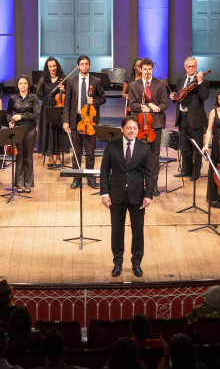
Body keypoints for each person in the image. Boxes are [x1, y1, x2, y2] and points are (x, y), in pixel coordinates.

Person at [100, 116, 154, 278]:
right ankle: (118, 262)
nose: (132, 131)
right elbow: (104, 171)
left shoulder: (144, 148)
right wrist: (104, 193)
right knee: (117, 230)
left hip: (137, 196)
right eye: (128, 128)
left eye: (135, 128)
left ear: (138, 130)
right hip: (116, 194)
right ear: (122, 129)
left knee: (138, 231)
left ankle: (136, 262)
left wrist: (148, 195)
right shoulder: (112, 146)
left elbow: (150, 175)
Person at [62, 54, 107, 189]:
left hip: (90, 121)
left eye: (87, 64)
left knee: (90, 152)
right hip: (75, 120)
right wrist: (65, 121)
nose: (84, 66)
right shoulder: (71, 81)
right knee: (76, 152)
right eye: (82, 64)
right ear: (77, 66)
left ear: (90, 65)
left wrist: (95, 101)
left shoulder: (96, 81)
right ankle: (77, 178)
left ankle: (90, 178)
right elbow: (67, 104)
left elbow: (103, 98)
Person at [127, 58, 169, 196]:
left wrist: (152, 108)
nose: (147, 72)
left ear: (152, 69)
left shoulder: (161, 84)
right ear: (140, 69)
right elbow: (132, 105)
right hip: (139, 125)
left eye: (149, 69)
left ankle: (153, 186)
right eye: (144, 69)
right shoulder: (133, 85)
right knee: (138, 156)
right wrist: (143, 107)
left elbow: (165, 104)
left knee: (154, 156)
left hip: (155, 124)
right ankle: (139, 185)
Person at [171, 57, 209, 181]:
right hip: (182, 118)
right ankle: (186, 170)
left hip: (196, 119)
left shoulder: (203, 80)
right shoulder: (181, 79)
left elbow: (204, 96)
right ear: (185, 67)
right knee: (184, 147)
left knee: (196, 148)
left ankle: (195, 172)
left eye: (193, 66)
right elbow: (179, 96)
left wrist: (200, 82)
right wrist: (173, 97)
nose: (191, 68)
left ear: (197, 66)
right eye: (189, 66)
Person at [6, 74, 40, 193]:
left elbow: (36, 114)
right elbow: (8, 113)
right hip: (17, 130)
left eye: (25, 83)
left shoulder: (33, 98)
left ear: (28, 85)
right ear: (17, 85)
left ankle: (28, 183)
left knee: (28, 157)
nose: (23, 85)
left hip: (30, 129)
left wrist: (21, 116)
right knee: (19, 156)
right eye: (20, 83)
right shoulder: (13, 98)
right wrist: (10, 121)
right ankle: (19, 184)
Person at [36, 56, 66, 169]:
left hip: (59, 106)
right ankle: (50, 156)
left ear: (57, 66)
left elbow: (68, 93)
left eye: (54, 66)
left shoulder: (62, 78)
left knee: (57, 131)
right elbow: (38, 92)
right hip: (47, 107)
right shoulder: (44, 78)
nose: (52, 68)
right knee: (48, 131)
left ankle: (58, 156)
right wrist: (46, 99)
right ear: (47, 68)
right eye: (50, 66)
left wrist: (64, 90)